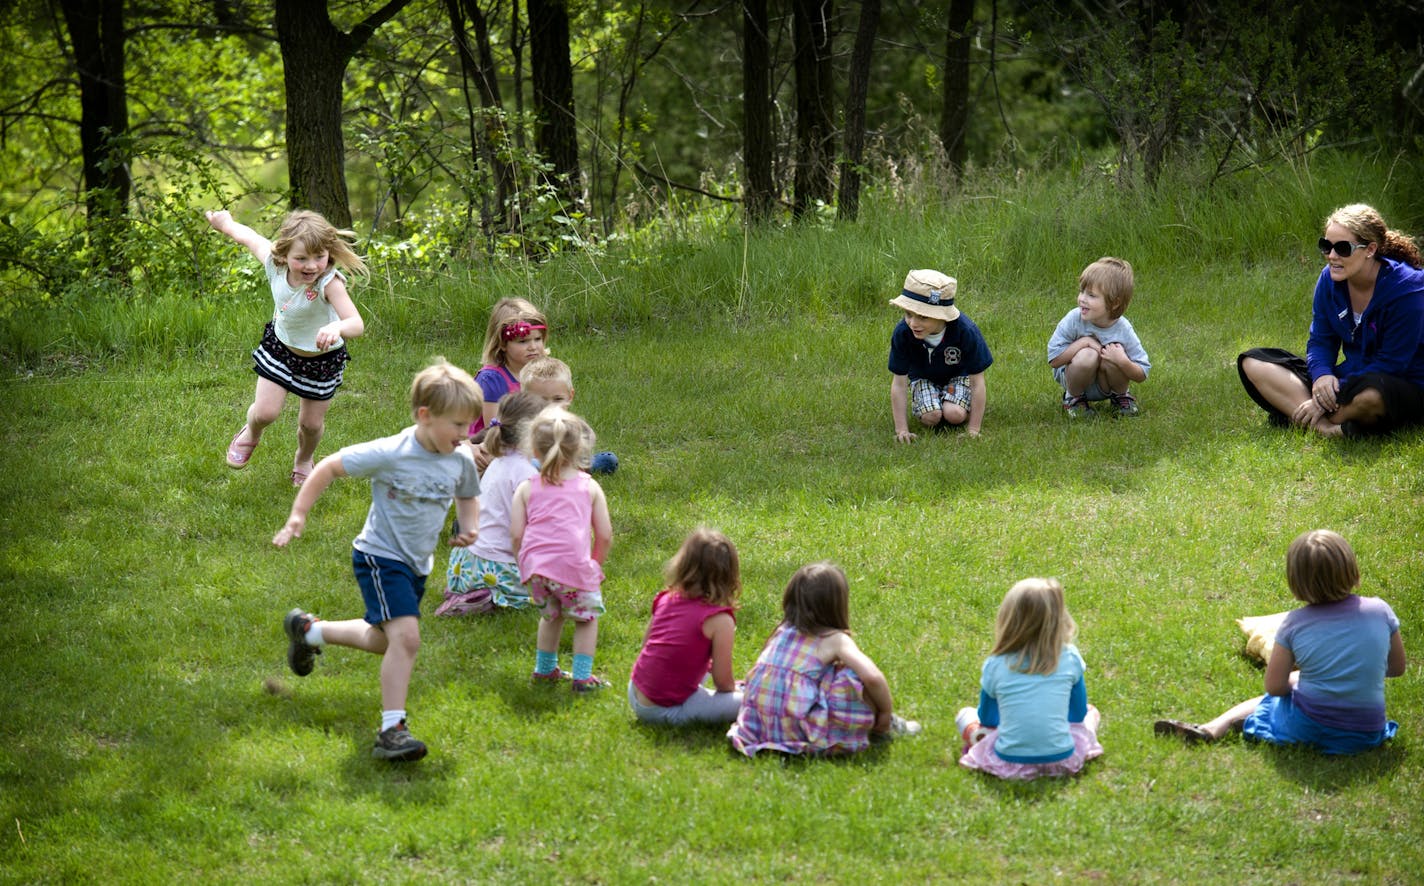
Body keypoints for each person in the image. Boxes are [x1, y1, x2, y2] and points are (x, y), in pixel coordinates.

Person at [274, 360, 482, 762]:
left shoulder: (459, 459)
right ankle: (392, 730)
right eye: (457, 425)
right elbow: (330, 467)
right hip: (379, 556)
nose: (465, 434)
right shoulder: (392, 452)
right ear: (425, 416)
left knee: (384, 639)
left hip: (417, 563)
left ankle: (309, 631)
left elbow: (467, 493)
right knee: (407, 638)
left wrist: (469, 525)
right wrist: (298, 515)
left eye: (468, 425)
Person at [1155, 530, 1405, 754]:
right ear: (1354, 572)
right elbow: (1397, 668)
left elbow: (1274, 687)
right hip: (1365, 733)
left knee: (1273, 700)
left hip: (1309, 727)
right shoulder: (1380, 611)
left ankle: (1213, 728)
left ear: (1295, 584)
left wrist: (1302, 684)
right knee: (1299, 681)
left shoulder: (1294, 624)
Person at [206, 209, 367, 486]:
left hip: (322, 361)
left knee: (311, 425)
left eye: (319, 257)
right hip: (280, 348)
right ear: (284, 255)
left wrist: (336, 327)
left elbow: (356, 323)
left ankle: (304, 458)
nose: (312, 266)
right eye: (301, 258)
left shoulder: (330, 283)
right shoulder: (274, 264)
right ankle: (251, 433)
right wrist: (226, 224)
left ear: (328, 253)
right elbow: (250, 237)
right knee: (266, 412)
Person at [1238, 204, 1424, 437]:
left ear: (1370, 249)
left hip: (1400, 382)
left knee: (1372, 396)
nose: (1332, 256)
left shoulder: (1408, 290)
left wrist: (1331, 395)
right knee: (1255, 362)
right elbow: (1320, 341)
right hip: (1349, 379)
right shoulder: (1329, 279)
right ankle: (1327, 428)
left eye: (1342, 248)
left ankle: (1302, 412)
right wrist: (1322, 376)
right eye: (1326, 246)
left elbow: (1393, 363)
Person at [727, 562, 920, 756]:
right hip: (799, 730)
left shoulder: (781, 631)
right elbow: (872, 678)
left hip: (757, 726)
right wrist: (885, 714)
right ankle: (885, 726)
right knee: (853, 676)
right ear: (837, 605)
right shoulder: (834, 639)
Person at [957, 578, 1104, 780]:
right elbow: (1077, 714)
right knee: (1090, 713)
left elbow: (988, 718)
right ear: (1059, 619)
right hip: (1062, 760)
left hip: (1010, 760)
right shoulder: (1069, 657)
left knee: (965, 714)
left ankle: (977, 737)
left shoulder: (996, 664)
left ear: (1008, 620)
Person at [511, 406, 614, 692]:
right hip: (574, 569)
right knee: (586, 619)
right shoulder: (588, 487)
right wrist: (595, 564)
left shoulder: (526, 488)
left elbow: (516, 534)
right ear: (580, 447)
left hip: (537, 571)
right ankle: (582, 677)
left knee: (551, 615)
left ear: (533, 448)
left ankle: (544, 671)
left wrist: (524, 565)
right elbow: (604, 534)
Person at [438, 391, 547, 615]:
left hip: (464, 563)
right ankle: (488, 595)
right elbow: (529, 532)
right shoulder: (526, 474)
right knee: (544, 590)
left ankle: (466, 589)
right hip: (495, 565)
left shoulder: (497, 461)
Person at [628, 528, 744, 726]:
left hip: (635, 692)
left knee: (702, 667)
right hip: (665, 709)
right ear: (729, 574)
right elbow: (723, 682)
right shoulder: (720, 620)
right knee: (749, 702)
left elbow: (646, 644)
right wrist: (736, 692)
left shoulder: (666, 598)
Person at [888, 268, 993, 441]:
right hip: (922, 378)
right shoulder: (902, 333)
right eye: (908, 314)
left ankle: (957, 406)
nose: (913, 323)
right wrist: (901, 430)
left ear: (942, 317)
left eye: (923, 317)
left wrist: (974, 429)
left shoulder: (966, 331)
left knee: (955, 415)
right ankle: (934, 403)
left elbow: (977, 382)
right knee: (932, 416)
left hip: (958, 376)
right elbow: (899, 383)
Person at [1047, 257, 1150, 418]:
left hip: (1107, 383)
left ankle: (1121, 397)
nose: (1082, 299)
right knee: (1087, 354)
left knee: (1116, 352)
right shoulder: (1074, 319)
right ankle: (1074, 400)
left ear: (1114, 303)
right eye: (1082, 291)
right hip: (1075, 378)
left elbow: (1142, 373)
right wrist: (1084, 342)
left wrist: (1122, 360)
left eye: (1091, 295)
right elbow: (1054, 359)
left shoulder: (1123, 328)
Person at [470, 297, 548, 439]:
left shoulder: (542, 373)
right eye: (523, 341)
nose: (533, 347)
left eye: (538, 339)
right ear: (503, 344)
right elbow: (492, 432)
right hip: (491, 448)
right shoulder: (491, 379)